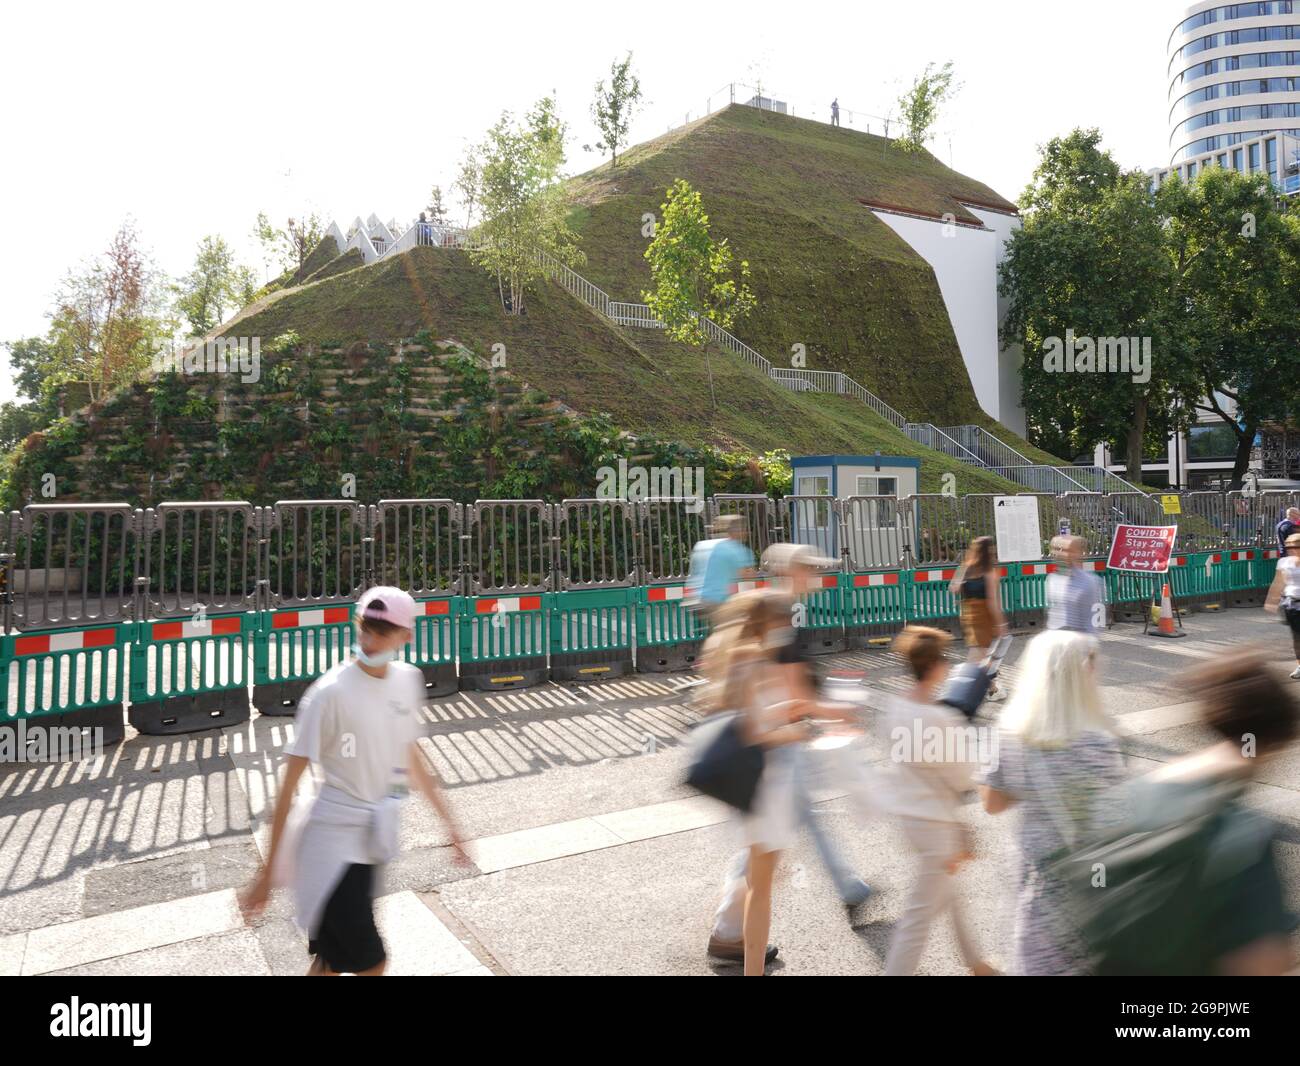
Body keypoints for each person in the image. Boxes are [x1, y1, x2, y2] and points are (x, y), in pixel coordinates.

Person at [241, 586, 469, 975]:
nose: (371, 639)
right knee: (371, 962)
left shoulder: (406, 680)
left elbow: (410, 755)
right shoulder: (328, 694)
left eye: (384, 631)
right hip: (328, 847)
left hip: (368, 845)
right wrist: (266, 874)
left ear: (406, 636)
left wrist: (451, 825)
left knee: (331, 960)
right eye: (367, 628)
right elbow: (289, 784)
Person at [1084, 656, 1298, 975]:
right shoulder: (1240, 833)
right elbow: (1258, 964)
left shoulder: (1124, 798)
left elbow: (1092, 886)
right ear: (1273, 741)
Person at [707, 545, 870, 965]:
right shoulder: (778, 617)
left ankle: (733, 932)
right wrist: (818, 717)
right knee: (768, 856)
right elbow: (784, 701)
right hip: (771, 759)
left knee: (779, 843)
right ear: (790, 571)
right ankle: (729, 933)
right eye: (809, 567)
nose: (816, 573)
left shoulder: (768, 617)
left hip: (766, 760)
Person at [976, 630, 1125, 975]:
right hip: (1091, 882)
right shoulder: (1100, 743)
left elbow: (992, 804)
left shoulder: (1012, 735)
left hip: (1036, 880)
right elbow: (1114, 819)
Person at [701, 589, 815, 975]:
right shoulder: (754, 658)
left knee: (758, 884)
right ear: (767, 623)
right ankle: (749, 966)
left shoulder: (736, 655)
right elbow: (755, 730)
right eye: (783, 621)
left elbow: (748, 714)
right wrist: (794, 731)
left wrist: (784, 711)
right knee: (761, 890)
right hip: (765, 786)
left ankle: (746, 958)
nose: (787, 628)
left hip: (752, 787)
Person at [881, 626, 997, 976]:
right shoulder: (941, 718)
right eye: (944, 659)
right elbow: (963, 777)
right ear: (933, 666)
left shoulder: (895, 706)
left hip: (908, 817)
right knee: (918, 918)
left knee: (947, 894)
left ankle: (977, 964)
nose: (948, 665)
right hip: (936, 825)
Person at [949, 536, 1009, 700]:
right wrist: (1001, 623)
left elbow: (953, 588)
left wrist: (963, 585)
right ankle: (992, 688)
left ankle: (991, 687)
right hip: (984, 617)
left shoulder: (966, 567)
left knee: (978, 656)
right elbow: (992, 602)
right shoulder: (989, 572)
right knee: (978, 657)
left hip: (969, 615)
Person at [685, 514, 755, 625]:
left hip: (696, 600)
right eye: (744, 529)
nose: (746, 533)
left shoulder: (701, 545)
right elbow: (748, 580)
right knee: (737, 630)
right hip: (717, 601)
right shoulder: (737, 549)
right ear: (738, 531)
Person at [1045, 535, 1105, 636]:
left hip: (1078, 643)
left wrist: (1090, 645)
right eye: (1057, 549)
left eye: (1067, 550)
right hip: (1055, 641)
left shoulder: (1089, 582)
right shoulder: (1052, 579)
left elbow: (1094, 621)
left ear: (1078, 553)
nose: (1061, 554)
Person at [1264, 531, 1300, 679]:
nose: (1293, 549)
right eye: (1290, 546)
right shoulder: (1284, 562)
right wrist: (1271, 599)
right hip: (1291, 604)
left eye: (1296, 546)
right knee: (1297, 638)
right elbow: (1278, 582)